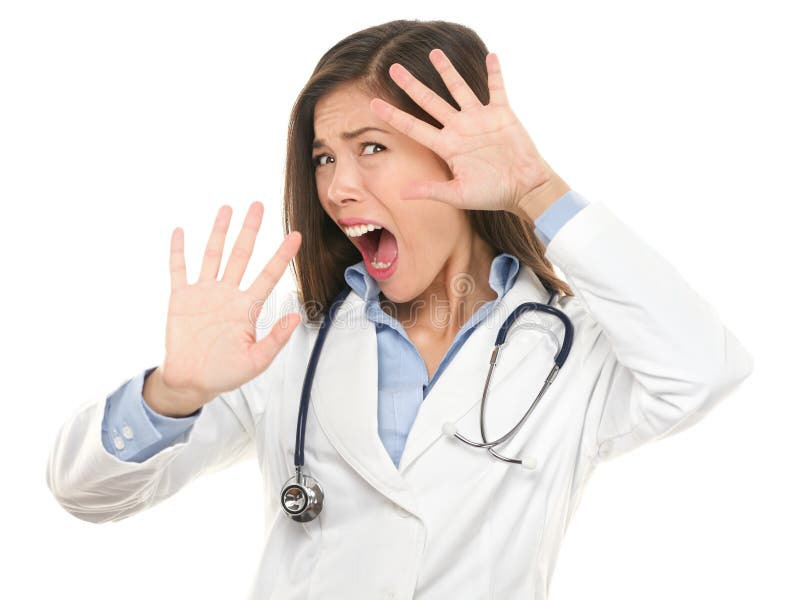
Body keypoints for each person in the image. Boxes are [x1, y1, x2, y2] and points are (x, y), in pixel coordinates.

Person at [46, 19, 754, 599]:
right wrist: (173, 393)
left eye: (372, 148)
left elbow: (703, 370)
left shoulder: (568, 350)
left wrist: (536, 188)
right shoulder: (285, 340)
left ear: (458, 160)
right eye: (323, 158)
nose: (338, 188)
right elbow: (88, 493)